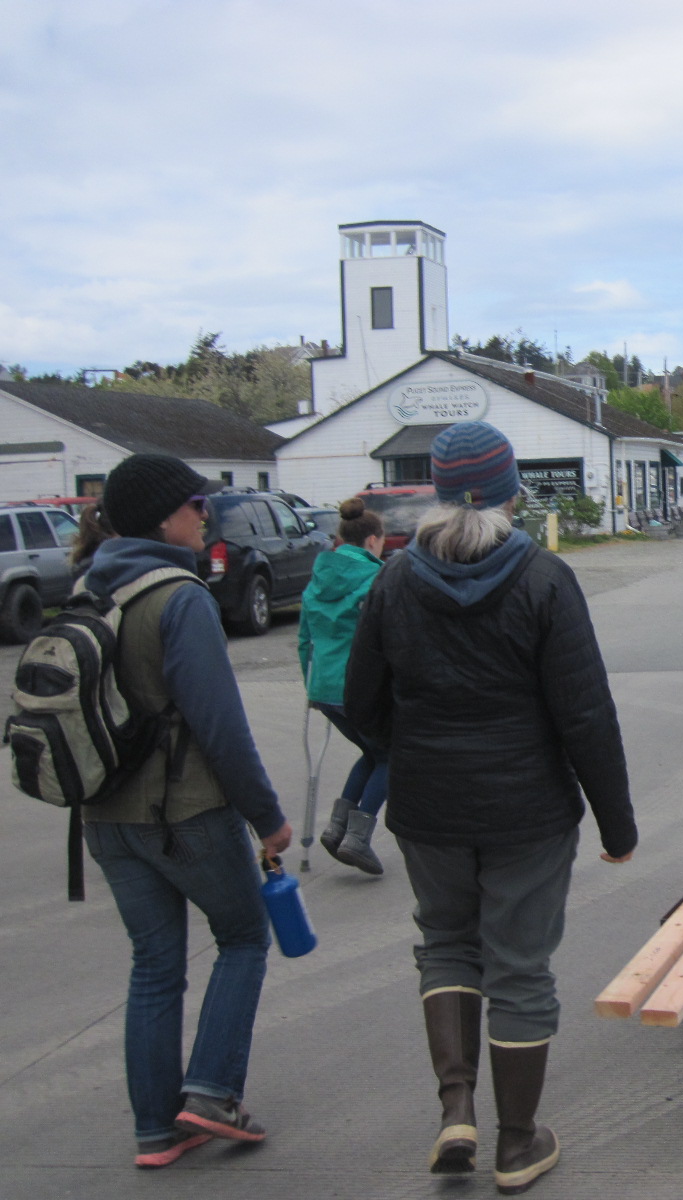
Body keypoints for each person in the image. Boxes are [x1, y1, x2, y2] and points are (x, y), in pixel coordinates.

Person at [345, 420, 637, 1193]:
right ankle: (515, 1142)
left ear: (437, 495)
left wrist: (411, 750)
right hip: (527, 812)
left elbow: (361, 702)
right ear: (511, 492)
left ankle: (456, 1112)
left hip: (428, 809)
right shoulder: (543, 578)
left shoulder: (395, 581)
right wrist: (616, 824)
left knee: (446, 943)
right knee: (520, 967)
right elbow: (585, 714)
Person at [79, 453, 292, 1167]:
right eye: (196, 505)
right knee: (243, 937)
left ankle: (156, 1129)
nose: (206, 514)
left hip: (105, 816)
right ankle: (210, 1093)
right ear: (163, 518)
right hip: (186, 811)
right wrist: (267, 817)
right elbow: (219, 725)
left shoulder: (91, 588)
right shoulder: (179, 597)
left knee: (155, 963)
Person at [298, 497, 388, 875]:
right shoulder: (376, 578)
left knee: (372, 752)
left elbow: (305, 641)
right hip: (359, 688)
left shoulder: (317, 579)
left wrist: (313, 685)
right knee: (392, 755)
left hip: (323, 688)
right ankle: (358, 838)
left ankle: (338, 829)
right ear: (372, 540)